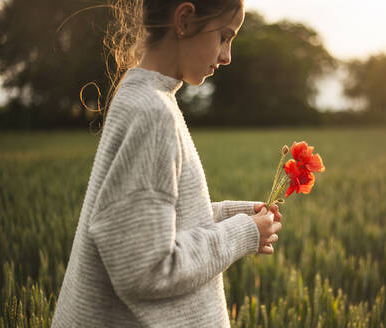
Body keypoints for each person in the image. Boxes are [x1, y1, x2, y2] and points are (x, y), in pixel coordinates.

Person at [51, 0, 283, 327]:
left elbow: (147, 227)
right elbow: (145, 267)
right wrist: (243, 233)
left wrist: (232, 215)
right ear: (185, 20)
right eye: (224, 37)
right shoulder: (152, 113)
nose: (227, 56)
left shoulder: (143, 97)